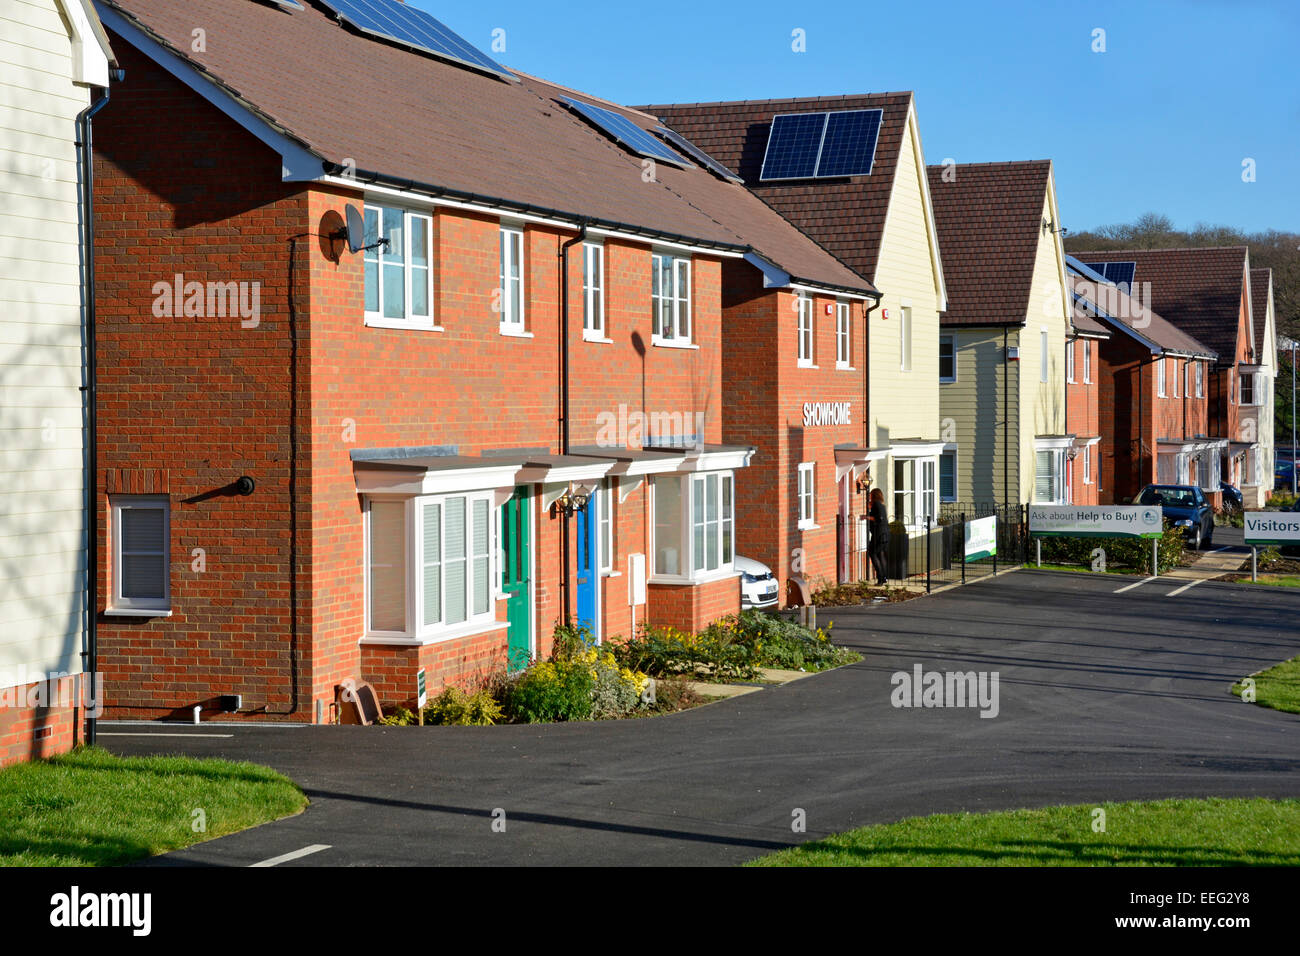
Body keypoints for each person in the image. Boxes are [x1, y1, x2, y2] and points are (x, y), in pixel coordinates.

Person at [868, 487, 889, 586]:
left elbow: (879, 518)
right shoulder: (882, 505)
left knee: (873, 553)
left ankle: (880, 578)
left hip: (879, 535)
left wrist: (867, 517)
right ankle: (884, 577)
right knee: (880, 554)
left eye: (871, 495)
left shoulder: (877, 504)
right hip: (884, 534)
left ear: (874, 495)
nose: (869, 496)